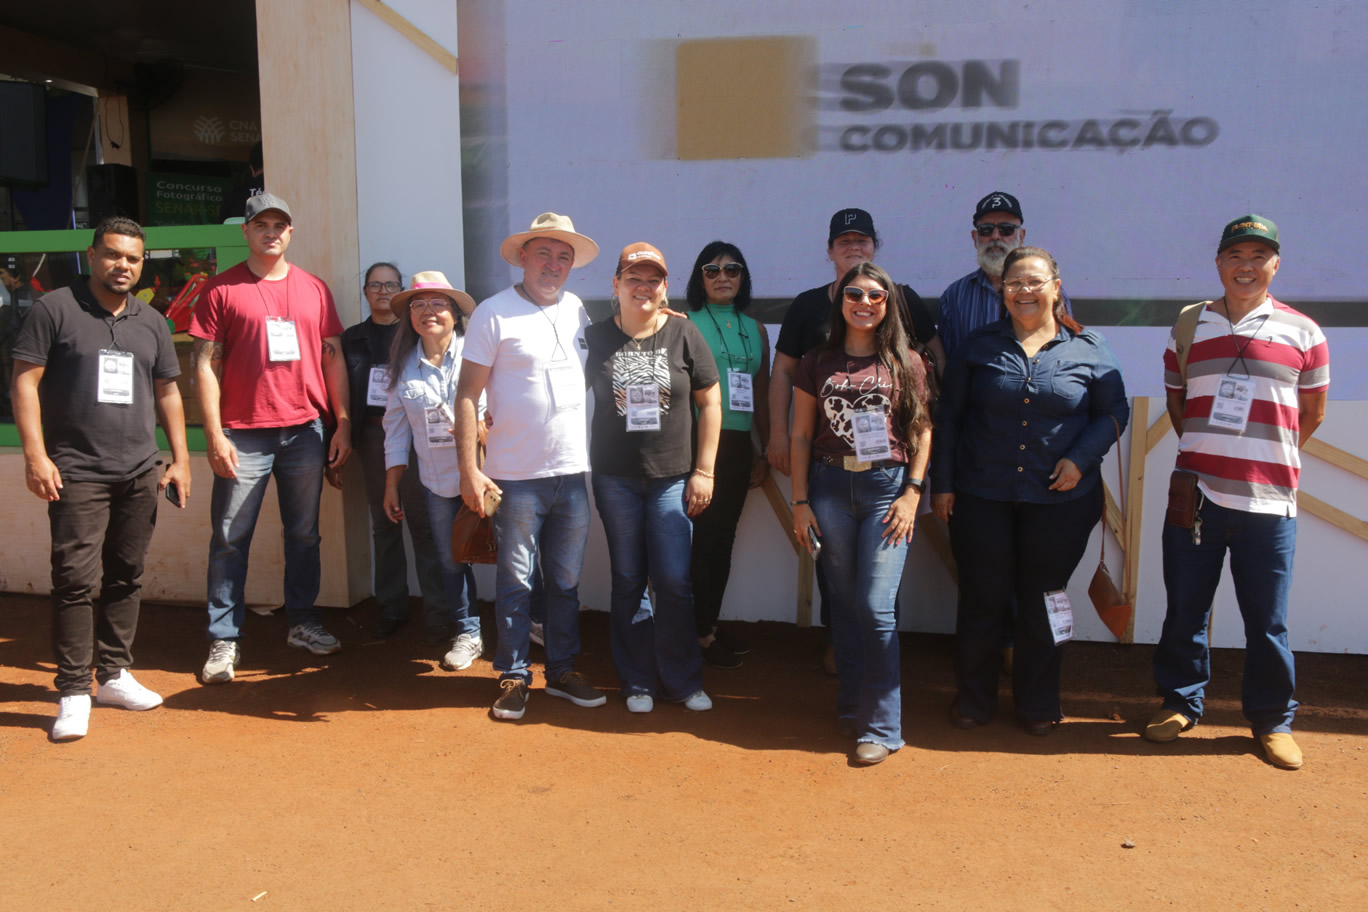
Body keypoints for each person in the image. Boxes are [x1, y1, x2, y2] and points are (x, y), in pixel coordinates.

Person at [1146, 215, 1328, 771]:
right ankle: (1180, 703)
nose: (1246, 266)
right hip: (1196, 495)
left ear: (1276, 264)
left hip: (1269, 503)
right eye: (1235, 255)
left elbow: (1312, 414)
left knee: (1267, 622)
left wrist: (1261, 459)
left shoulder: (1305, 332)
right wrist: (1209, 453)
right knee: (1185, 610)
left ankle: (1272, 720)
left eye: (1258, 256)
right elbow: (1176, 399)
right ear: (1219, 263)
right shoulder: (1189, 324)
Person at [931, 247, 1128, 735]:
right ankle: (973, 699)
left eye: (1035, 281)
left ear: (1056, 288)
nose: (1024, 290)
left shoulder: (1089, 347)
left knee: (1045, 599)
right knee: (982, 598)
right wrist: (944, 484)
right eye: (1014, 282)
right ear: (1002, 291)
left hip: (1062, 502)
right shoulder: (977, 346)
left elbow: (1113, 413)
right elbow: (950, 418)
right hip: (982, 495)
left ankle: (1039, 701)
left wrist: (1080, 459)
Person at [10, 217, 192, 741]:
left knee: (126, 574)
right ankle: (73, 691)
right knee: (73, 580)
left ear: (142, 263)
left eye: (133, 258)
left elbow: (168, 392)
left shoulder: (151, 321)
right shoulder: (55, 309)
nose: (122, 266)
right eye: (113, 254)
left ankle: (113, 674)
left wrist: (179, 459)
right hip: (77, 471)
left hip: (139, 469)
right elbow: (25, 382)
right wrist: (35, 456)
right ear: (92, 255)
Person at [769, 207, 942, 673]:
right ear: (829, 251)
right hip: (829, 472)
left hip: (889, 474)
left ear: (874, 247)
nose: (853, 247)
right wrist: (779, 434)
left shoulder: (902, 300)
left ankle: (877, 668)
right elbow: (784, 371)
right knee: (839, 580)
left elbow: (935, 361)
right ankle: (842, 648)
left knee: (879, 591)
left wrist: (920, 466)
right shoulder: (807, 308)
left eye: (861, 240)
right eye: (844, 241)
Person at [190, 192, 351, 684]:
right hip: (243, 433)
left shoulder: (314, 289)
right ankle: (224, 637)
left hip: (305, 430)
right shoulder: (220, 290)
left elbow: (332, 359)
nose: (271, 233)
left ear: (290, 232)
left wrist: (342, 422)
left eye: (279, 225)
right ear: (246, 231)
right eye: (261, 225)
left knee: (304, 534)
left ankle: (302, 622)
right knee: (230, 537)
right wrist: (214, 433)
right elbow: (204, 365)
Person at [455, 212, 607, 721]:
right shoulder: (493, 313)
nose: (554, 264)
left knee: (564, 585)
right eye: (544, 253)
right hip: (515, 478)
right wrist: (469, 470)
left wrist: (665, 321)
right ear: (523, 257)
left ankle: (560, 671)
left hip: (572, 474)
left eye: (564, 256)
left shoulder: (579, 310)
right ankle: (514, 676)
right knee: (516, 583)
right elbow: (466, 396)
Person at [789, 263, 932, 764]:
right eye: (854, 294)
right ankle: (852, 704)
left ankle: (883, 727)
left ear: (888, 303)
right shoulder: (816, 361)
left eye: (876, 295)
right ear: (841, 302)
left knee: (875, 607)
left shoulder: (907, 362)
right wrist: (800, 502)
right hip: (829, 488)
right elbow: (801, 435)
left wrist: (913, 492)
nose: (864, 303)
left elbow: (923, 430)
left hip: (887, 489)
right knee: (845, 605)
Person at [586, 242, 722, 712]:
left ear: (665, 287)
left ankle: (682, 681)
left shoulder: (684, 333)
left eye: (653, 280)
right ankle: (637, 681)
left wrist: (704, 470)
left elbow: (711, 402)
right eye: (633, 278)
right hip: (614, 478)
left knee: (674, 582)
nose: (642, 287)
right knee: (628, 580)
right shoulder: (594, 337)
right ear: (616, 284)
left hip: (672, 478)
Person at [380, 271, 485, 671]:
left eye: (438, 303)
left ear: (455, 313)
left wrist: (481, 428)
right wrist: (392, 484)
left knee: (512, 553)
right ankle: (468, 632)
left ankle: (531, 624)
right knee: (450, 559)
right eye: (419, 305)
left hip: (489, 477)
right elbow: (395, 430)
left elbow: (504, 409)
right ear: (409, 317)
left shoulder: (479, 353)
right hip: (438, 483)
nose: (428, 311)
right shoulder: (403, 367)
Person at [341, 263, 448, 643]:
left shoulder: (414, 335)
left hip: (419, 438)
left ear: (399, 291)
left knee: (423, 525)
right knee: (384, 523)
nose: (382, 291)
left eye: (390, 285)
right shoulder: (351, 339)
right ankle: (392, 607)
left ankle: (439, 613)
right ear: (365, 292)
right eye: (375, 285)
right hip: (373, 438)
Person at [685, 241, 770, 669]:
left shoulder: (756, 330)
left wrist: (765, 448)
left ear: (743, 277)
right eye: (712, 270)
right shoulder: (684, 322)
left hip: (737, 447)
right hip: (694, 444)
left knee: (721, 542)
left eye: (732, 269)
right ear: (699, 278)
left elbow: (761, 392)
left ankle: (706, 627)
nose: (723, 277)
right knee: (694, 543)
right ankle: (689, 633)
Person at [937, 192, 1066, 359]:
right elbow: (948, 363)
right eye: (986, 230)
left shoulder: (1047, 291)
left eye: (1006, 230)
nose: (995, 236)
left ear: (1021, 236)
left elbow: (1064, 352)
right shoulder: (954, 296)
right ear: (975, 238)